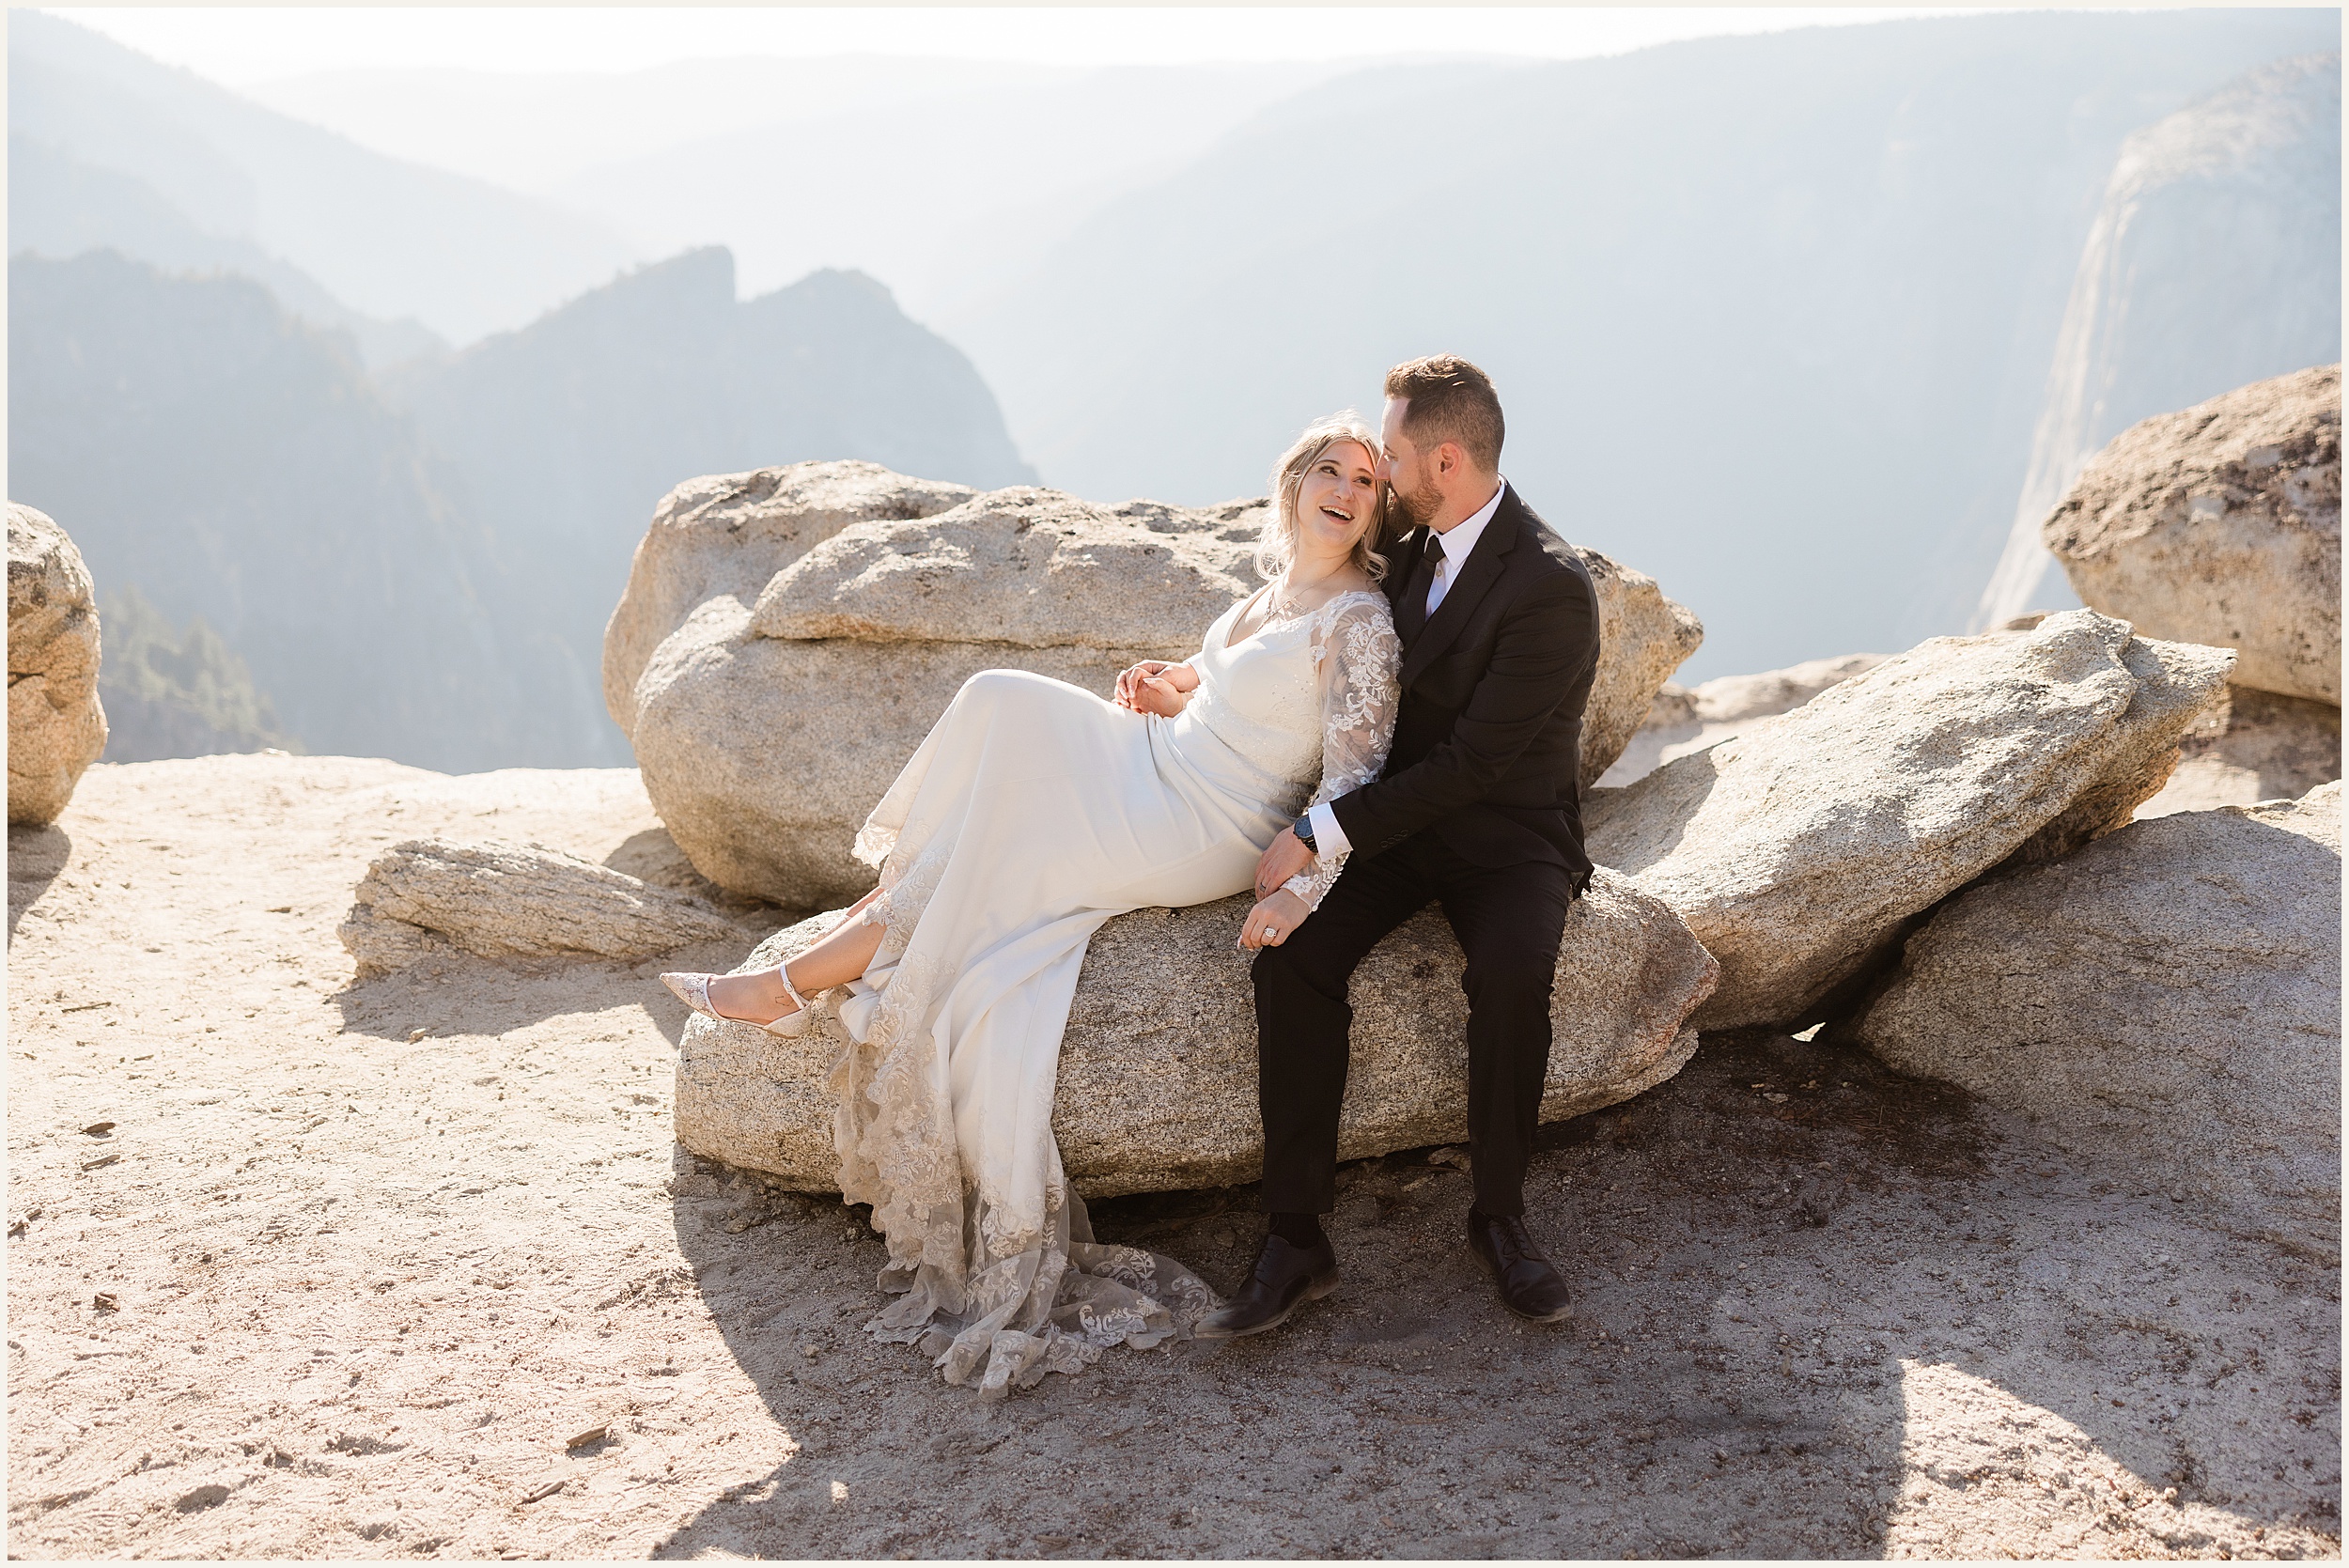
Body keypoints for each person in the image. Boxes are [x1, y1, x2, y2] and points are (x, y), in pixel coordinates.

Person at [660, 413, 1404, 1393]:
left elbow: (1357, 773)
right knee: (999, 699)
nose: (1344, 488)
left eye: (1365, 482)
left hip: (1203, 823)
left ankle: (786, 986)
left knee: (998, 835)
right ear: (1295, 483)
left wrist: (1304, 883)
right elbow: (1217, 693)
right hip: (1156, 757)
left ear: (1374, 515)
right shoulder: (1273, 592)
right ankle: (840, 946)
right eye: (1329, 469)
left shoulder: (1360, 620)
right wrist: (1166, 683)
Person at [1200, 355, 1602, 1340]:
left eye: (1393, 455)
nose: (1377, 469)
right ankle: (1296, 1237)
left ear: (1448, 460)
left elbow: (1470, 765)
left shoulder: (1552, 589)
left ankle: (1499, 1218)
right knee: (1290, 959)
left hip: (1507, 837)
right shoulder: (1412, 541)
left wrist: (1315, 833)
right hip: (1398, 825)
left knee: (1511, 973)